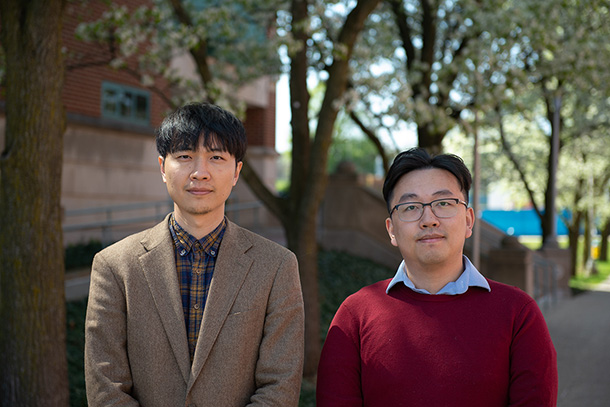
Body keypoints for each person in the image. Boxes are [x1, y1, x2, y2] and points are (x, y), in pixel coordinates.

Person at [85, 102, 305, 406]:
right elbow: (106, 387)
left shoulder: (277, 266)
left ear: (237, 171)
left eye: (216, 158)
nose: (200, 173)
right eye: (185, 157)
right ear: (163, 167)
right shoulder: (114, 266)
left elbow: (280, 385)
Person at [316, 148, 557, 406]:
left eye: (443, 203)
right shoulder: (355, 316)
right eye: (410, 207)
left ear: (468, 220)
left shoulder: (518, 314)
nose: (428, 219)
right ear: (392, 230)